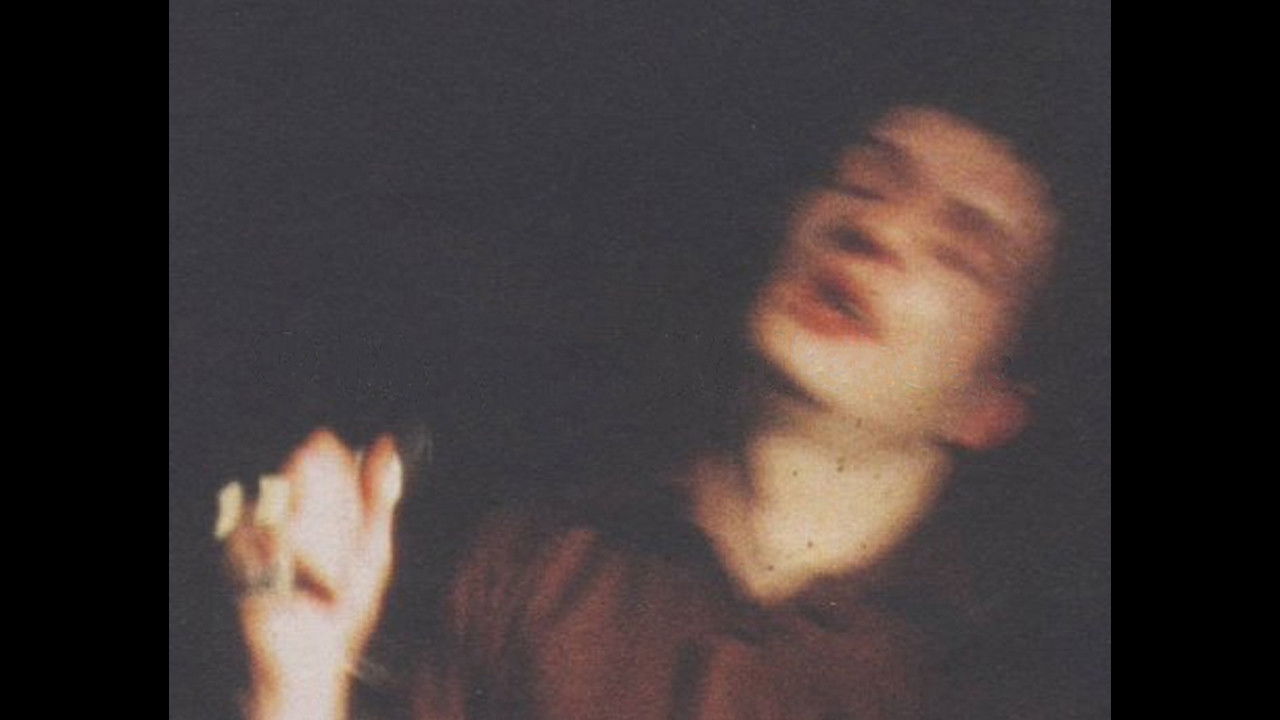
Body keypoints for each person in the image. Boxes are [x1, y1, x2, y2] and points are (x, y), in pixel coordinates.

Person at [222, 104, 1064, 719]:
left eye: (962, 251)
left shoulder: (1008, 678)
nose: (878, 228)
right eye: (862, 182)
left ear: (991, 408)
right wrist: (300, 678)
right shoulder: (537, 562)